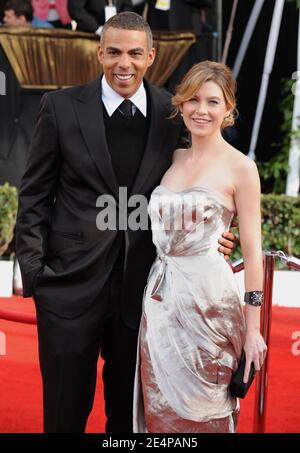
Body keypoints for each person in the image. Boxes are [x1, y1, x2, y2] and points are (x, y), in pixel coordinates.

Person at [15, 13, 235, 433]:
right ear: (99, 53)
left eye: (135, 53)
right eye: (114, 52)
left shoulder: (172, 116)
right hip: (68, 288)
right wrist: (37, 275)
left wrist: (214, 234)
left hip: (144, 293)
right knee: (63, 416)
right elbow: (34, 195)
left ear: (151, 56)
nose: (124, 63)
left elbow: (202, 177)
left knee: (129, 421)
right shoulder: (60, 107)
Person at [133, 60, 268, 433]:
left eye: (212, 101)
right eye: (193, 100)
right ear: (180, 105)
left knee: (207, 414)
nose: (201, 110)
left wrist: (253, 328)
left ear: (228, 109)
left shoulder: (241, 168)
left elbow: (253, 255)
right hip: (160, 305)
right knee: (160, 409)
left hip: (211, 305)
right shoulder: (172, 158)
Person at [68, 0, 133, 34]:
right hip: (89, 35)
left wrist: (119, 26)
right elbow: (75, 9)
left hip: (116, 35)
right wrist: (97, 29)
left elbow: (127, 6)